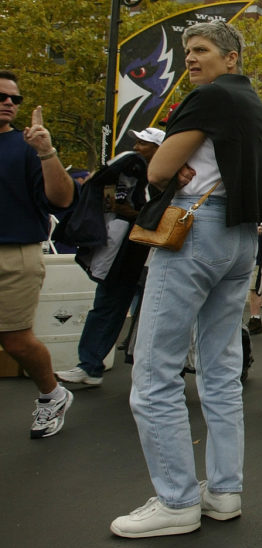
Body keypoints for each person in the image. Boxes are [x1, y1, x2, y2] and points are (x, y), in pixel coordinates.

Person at [111, 21, 262, 537]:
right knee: (220, 370)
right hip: (238, 236)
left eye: (201, 49)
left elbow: (161, 170)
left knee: (155, 370)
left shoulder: (207, 99)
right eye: (187, 51)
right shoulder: (253, 106)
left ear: (231, 58)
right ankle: (224, 490)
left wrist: (161, 161)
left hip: (194, 228)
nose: (189, 58)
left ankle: (177, 499)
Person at [0, 71, 76, 438]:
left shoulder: (27, 146)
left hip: (15, 253)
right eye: (3, 96)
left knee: (15, 340)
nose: (9, 103)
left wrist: (46, 152)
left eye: (15, 99)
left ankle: (52, 395)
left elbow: (61, 199)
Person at [55, 127, 161, 388]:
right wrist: (119, 207)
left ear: (159, 148)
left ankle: (155, 374)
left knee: (152, 313)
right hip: (129, 254)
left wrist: (131, 212)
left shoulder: (165, 175)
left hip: (150, 254)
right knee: (108, 305)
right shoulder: (133, 170)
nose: (137, 147)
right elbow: (108, 191)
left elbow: (161, 215)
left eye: (143, 143)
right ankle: (90, 365)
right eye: (136, 142)